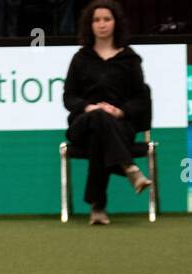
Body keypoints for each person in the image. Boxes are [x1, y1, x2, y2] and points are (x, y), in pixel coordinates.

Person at [63, 2, 153, 226]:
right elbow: (69, 97)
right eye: (96, 20)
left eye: (107, 19)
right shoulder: (81, 58)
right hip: (82, 123)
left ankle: (98, 207)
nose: (102, 25)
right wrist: (89, 107)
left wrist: (120, 111)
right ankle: (129, 168)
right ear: (89, 25)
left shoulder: (130, 59)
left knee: (100, 132)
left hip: (119, 126)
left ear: (116, 23)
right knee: (97, 118)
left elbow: (141, 99)